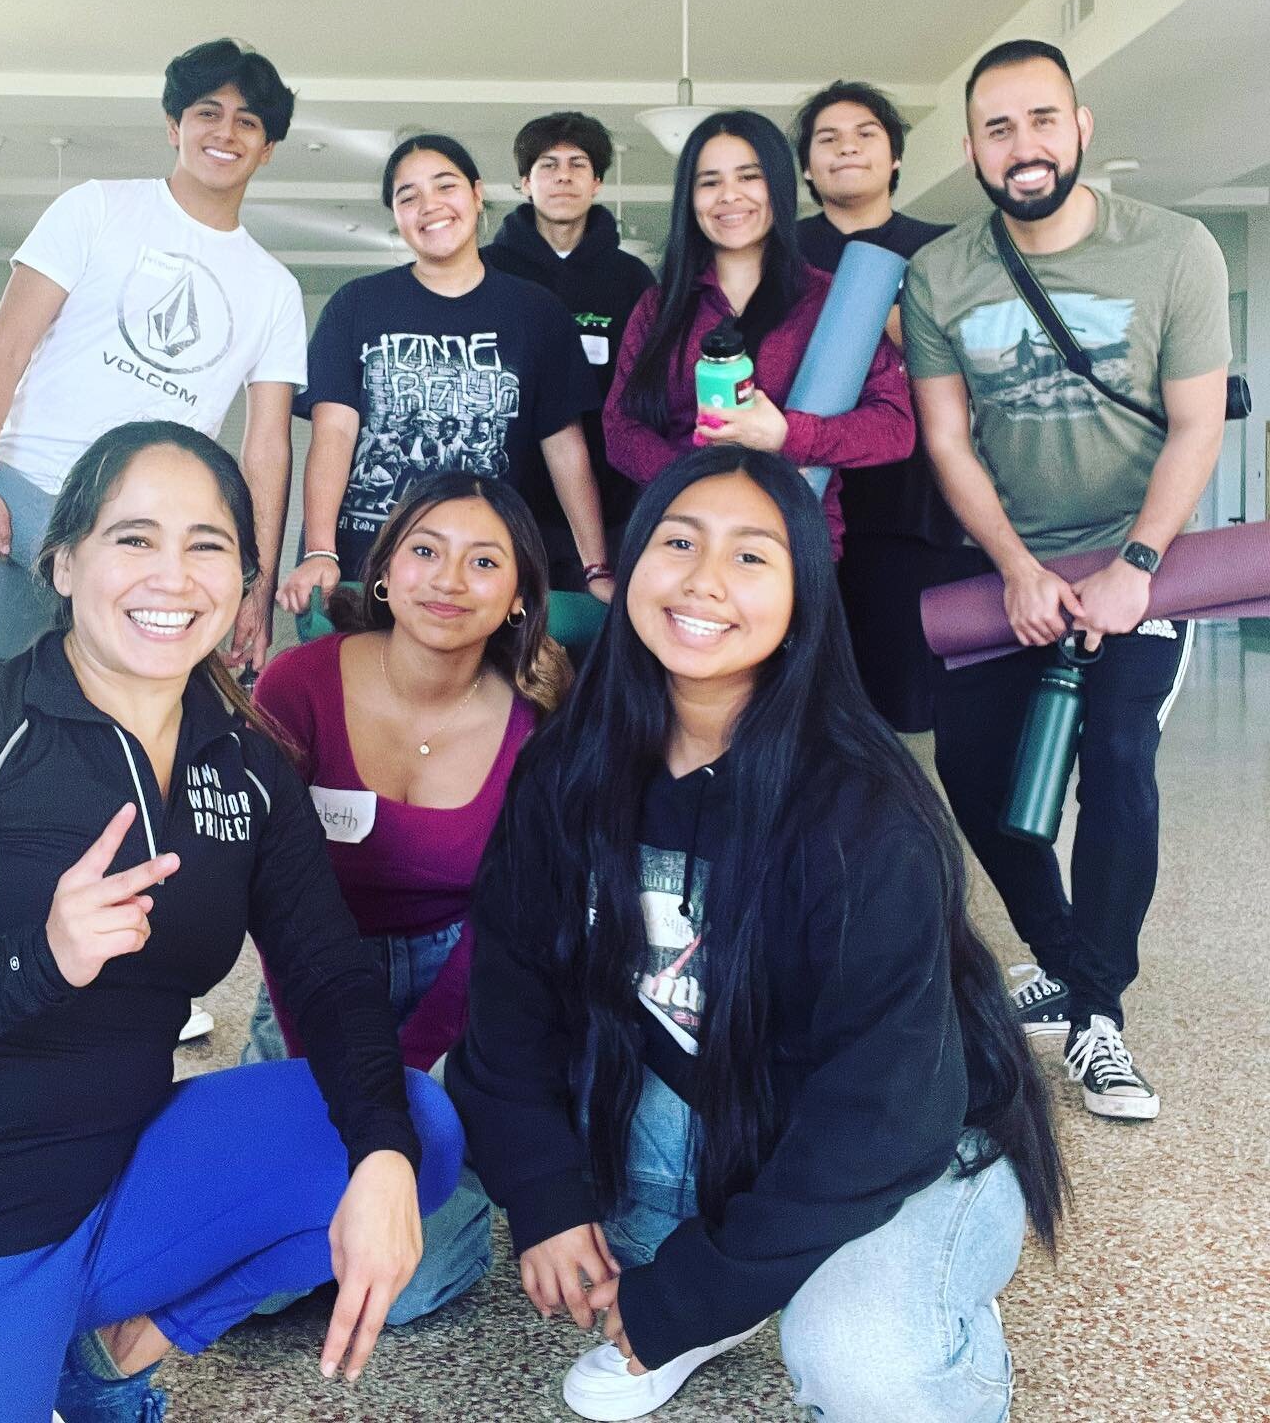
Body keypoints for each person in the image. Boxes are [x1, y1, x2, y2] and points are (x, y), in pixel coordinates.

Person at [0, 421, 463, 1423]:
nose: (173, 576)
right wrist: (35, 961)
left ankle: (113, 1348)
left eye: (207, 545)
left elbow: (328, 974)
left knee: (413, 1131)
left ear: (246, 578)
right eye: (133, 538)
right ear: (66, 560)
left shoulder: (245, 765)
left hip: (115, 1172)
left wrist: (379, 1153)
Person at [448, 447, 1064, 1423]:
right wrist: (547, 1197)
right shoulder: (567, 771)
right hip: (709, 1105)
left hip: (903, 1148)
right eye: (678, 543)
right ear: (633, 565)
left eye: (751, 557)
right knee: (624, 1250)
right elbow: (508, 1009)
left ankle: (933, 1326)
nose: (702, 580)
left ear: (803, 597)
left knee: (869, 1368)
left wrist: (685, 1299)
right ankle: (740, 1269)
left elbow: (878, 1109)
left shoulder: (866, 813)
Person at [903, 38, 1229, 1121]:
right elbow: (948, 441)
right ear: (973, 150)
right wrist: (1014, 569)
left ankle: (1100, 1019)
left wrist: (1138, 565)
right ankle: (1055, 950)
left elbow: (1194, 424)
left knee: (1119, 763)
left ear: (1082, 129)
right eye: (999, 128)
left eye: (1043, 120)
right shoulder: (942, 272)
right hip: (1012, 563)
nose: (1023, 145)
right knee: (978, 778)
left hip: (1144, 561)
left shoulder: (1176, 250)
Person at [241, 470, 571, 1323]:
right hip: (311, 973)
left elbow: (505, 922)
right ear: (384, 571)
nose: (448, 580)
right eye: (425, 550)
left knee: (409, 1284)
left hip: (456, 995)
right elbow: (270, 893)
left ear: (519, 599)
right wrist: (337, 1073)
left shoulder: (540, 723)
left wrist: (408, 1067)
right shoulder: (296, 685)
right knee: (255, 1280)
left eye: (483, 562)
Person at [0, 38, 306, 679]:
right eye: (207, 113)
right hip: (25, 503)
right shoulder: (97, 207)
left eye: (247, 122)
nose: (226, 132)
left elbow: (267, 448)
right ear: (175, 126)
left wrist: (257, 580)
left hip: (154, 538)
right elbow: (4, 345)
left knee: (123, 727)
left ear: (267, 147)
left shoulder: (273, 286)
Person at [277, 135, 615, 616]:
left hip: (483, 566)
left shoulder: (537, 312)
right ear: (395, 215)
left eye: (445, 186)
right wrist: (319, 551)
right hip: (367, 560)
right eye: (407, 196)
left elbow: (565, 447)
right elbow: (334, 432)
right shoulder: (357, 304)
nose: (429, 206)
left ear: (477, 195)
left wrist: (596, 568)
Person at [602, 110, 914, 559]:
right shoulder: (659, 306)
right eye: (709, 182)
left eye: (749, 176)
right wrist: (697, 482)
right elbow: (620, 428)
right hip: (677, 537)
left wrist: (787, 435)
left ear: (779, 187)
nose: (729, 196)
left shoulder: (831, 303)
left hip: (791, 544)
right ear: (689, 199)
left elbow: (893, 428)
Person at [793, 79, 974, 730]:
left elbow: (978, 361)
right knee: (800, 700)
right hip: (801, 502)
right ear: (808, 165)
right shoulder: (777, 252)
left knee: (905, 706)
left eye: (866, 135)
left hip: (914, 506)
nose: (847, 150)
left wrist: (898, 321)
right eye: (828, 139)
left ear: (895, 156)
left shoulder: (947, 248)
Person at [482, 111, 656, 587]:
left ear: (597, 182)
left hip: (611, 500)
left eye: (578, 164)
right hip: (502, 497)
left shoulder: (632, 279)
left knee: (596, 638)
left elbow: (648, 385)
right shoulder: (486, 271)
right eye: (548, 164)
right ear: (524, 182)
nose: (563, 176)